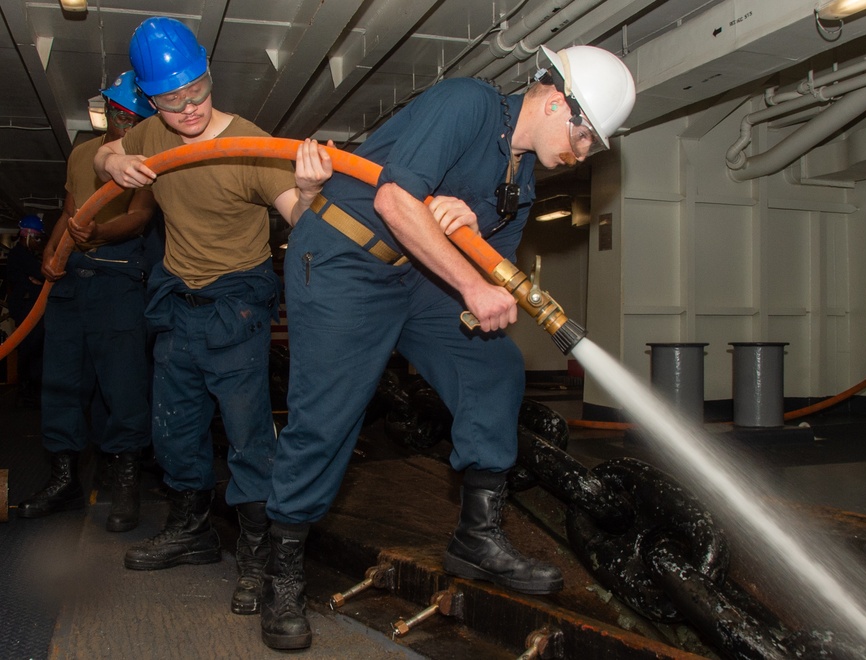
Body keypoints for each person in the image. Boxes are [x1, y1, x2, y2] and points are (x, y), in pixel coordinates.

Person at [264, 45, 636, 650]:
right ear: (552, 100)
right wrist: (466, 276)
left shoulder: (522, 184)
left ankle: (476, 537)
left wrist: (470, 234)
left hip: (415, 276)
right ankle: (279, 567)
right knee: (328, 416)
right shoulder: (467, 103)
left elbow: (491, 271)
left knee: (493, 364)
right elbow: (391, 200)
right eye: (587, 133)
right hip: (343, 257)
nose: (585, 150)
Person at [93, 17, 330, 618]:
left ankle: (256, 555)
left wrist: (305, 193)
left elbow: (303, 223)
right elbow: (105, 152)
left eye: (197, 91)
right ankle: (192, 530)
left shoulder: (247, 143)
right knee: (173, 425)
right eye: (172, 100)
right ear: (150, 98)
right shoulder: (151, 132)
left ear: (208, 74)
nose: (190, 108)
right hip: (175, 297)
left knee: (248, 433)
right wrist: (111, 164)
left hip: (237, 301)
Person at [18, 71, 158, 533]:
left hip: (116, 277)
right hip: (71, 282)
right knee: (60, 381)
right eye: (116, 113)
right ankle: (64, 481)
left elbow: (138, 218)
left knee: (122, 384)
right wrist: (51, 259)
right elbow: (70, 211)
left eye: (131, 116)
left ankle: (124, 483)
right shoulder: (82, 152)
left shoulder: (149, 159)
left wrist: (97, 233)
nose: (122, 123)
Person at [3, 216, 46, 408]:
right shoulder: (20, 255)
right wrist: (37, 281)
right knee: (30, 351)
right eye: (36, 238)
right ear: (26, 235)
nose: (38, 242)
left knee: (34, 351)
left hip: (30, 309)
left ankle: (30, 391)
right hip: (26, 310)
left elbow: (39, 277)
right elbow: (41, 274)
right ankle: (26, 392)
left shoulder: (26, 255)